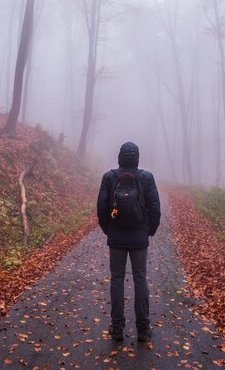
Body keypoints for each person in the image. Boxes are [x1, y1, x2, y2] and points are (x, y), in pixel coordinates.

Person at [96, 141, 161, 343]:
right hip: (139, 236)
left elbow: (101, 207)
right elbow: (155, 208)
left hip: (116, 236)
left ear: (119, 157)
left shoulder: (109, 177)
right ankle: (142, 329)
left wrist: (109, 230)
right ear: (137, 157)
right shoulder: (147, 177)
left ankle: (117, 328)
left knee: (117, 279)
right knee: (140, 279)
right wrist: (148, 231)